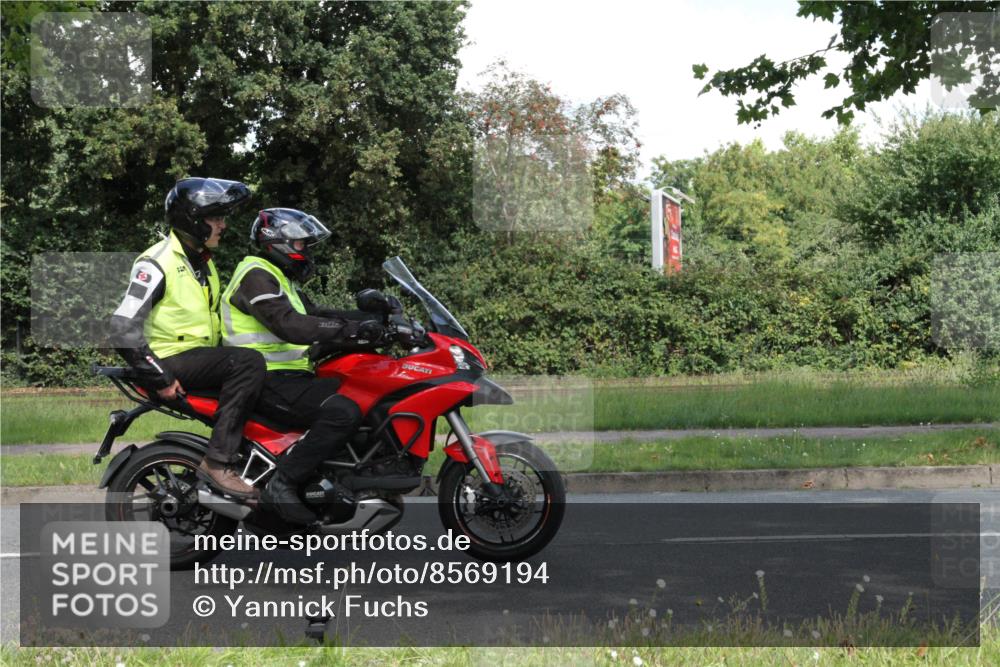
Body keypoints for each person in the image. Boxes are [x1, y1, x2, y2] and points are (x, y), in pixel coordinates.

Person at [220, 208, 388, 525]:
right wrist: (354, 331)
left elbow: (319, 316)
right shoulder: (255, 276)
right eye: (301, 244)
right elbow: (291, 326)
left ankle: (342, 479)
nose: (306, 251)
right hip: (264, 379)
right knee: (343, 412)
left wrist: (378, 320)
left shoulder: (278, 279)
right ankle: (282, 484)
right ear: (278, 242)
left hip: (288, 378)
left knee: (364, 394)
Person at [109, 177, 265, 499]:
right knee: (247, 363)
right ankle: (218, 463)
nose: (223, 225)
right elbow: (122, 326)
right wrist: (160, 377)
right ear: (193, 219)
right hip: (168, 360)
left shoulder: (203, 263)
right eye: (216, 217)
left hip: (196, 357)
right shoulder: (157, 263)